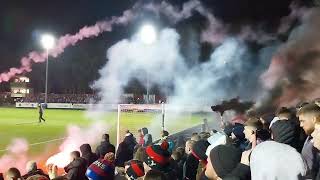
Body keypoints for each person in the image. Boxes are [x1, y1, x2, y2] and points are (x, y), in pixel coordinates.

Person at [298, 103, 320, 179]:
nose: (301, 125)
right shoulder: (310, 136)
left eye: (302, 121)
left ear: (313, 119)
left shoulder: (317, 139)